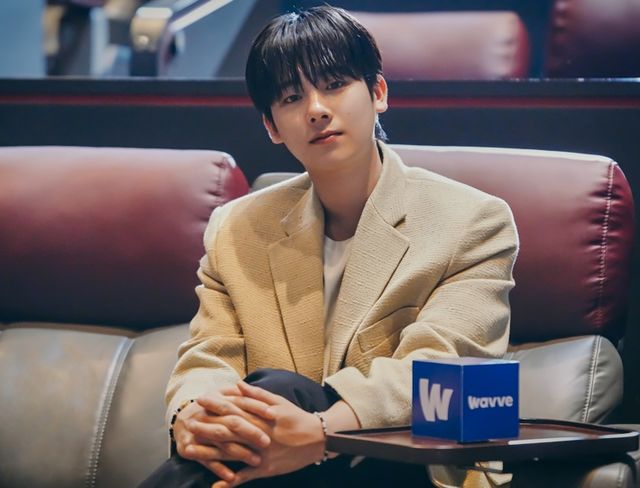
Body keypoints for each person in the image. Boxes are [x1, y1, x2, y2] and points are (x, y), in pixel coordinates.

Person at [140, 5, 518, 488]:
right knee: (264, 401)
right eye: (292, 97)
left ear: (378, 93)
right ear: (272, 127)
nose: (316, 109)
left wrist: (320, 432)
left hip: (403, 463)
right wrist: (191, 416)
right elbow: (210, 357)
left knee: (278, 390)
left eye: (335, 85)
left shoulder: (472, 221)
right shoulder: (236, 228)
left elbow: (440, 374)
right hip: (269, 469)